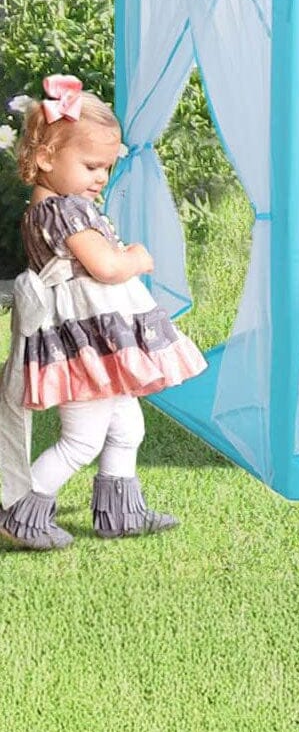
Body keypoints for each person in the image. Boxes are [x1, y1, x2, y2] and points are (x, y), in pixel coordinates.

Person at [0, 74, 207, 550]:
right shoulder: (64, 211)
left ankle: (121, 512)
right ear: (46, 157)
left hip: (92, 342)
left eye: (107, 168)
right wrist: (137, 258)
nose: (101, 178)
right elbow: (106, 267)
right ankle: (20, 514)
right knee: (82, 440)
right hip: (85, 347)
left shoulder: (51, 207)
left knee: (127, 426)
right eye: (92, 165)